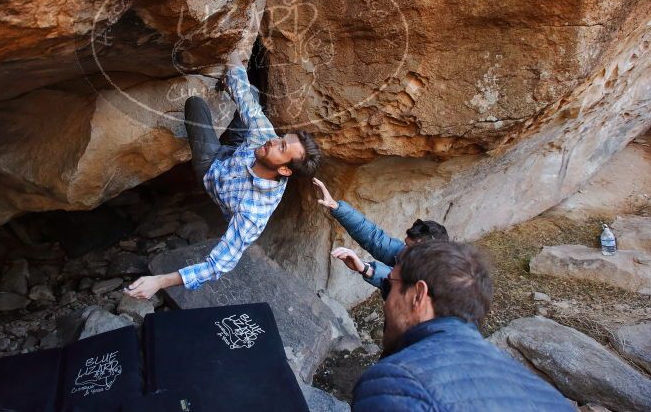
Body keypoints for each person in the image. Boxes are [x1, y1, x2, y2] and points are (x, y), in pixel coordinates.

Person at [125, 63, 322, 299]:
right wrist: (234, 62)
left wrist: (159, 281)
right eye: (281, 138)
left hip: (212, 171)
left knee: (195, 105)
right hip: (238, 154)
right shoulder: (265, 139)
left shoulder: (252, 213)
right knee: (251, 93)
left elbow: (216, 266)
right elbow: (247, 103)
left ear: (285, 170)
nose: (273, 141)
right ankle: (225, 89)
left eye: (281, 147)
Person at [353, 241, 572, 411]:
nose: (386, 300)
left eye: (390, 285)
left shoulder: (398, 384)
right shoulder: (550, 397)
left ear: (418, 295)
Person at [312, 178, 448, 289]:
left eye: (410, 248)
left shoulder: (434, 287)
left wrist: (366, 269)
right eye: (406, 245)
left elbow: (401, 286)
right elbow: (374, 238)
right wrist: (336, 207)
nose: (404, 250)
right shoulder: (408, 254)